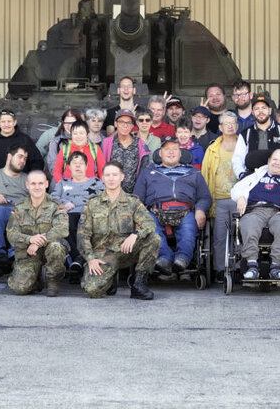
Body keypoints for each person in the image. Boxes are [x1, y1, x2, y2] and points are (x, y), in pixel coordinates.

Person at [78, 162, 159, 299]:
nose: (111, 178)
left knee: (153, 239)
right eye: (107, 175)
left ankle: (139, 284)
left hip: (126, 250)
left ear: (122, 177)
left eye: (115, 175)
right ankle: (111, 278)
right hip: (103, 254)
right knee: (92, 290)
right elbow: (82, 235)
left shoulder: (132, 202)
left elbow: (149, 223)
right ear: (102, 178)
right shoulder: (92, 203)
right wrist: (91, 259)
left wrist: (135, 235)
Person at [135, 139, 212, 274]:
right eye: (167, 149)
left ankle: (183, 258)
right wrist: (138, 215)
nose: (171, 152)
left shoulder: (193, 172)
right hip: (156, 210)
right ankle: (165, 257)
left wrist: (200, 209)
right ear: (160, 153)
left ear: (180, 153)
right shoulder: (148, 172)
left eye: (175, 149)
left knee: (188, 231)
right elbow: (137, 197)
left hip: (185, 210)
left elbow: (205, 197)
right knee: (151, 229)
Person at [229, 149, 280, 280]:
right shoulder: (256, 175)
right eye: (275, 159)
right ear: (269, 161)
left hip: (278, 212)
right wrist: (241, 197)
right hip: (255, 210)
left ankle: (276, 266)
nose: (277, 163)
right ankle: (252, 265)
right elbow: (235, 190)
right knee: (249, 225)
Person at [7, 171, 69, 296]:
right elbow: (11, 234)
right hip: (29, 253)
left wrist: (39, 242)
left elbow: (62, 229)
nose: (37, 187)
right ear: (27, 185)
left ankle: (53, 281)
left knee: (56, 247)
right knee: (19, 289)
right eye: (33, 183)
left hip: (49, 250)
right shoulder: (19, 207)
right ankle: (36, 280)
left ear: (46, 184)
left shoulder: (56, 205)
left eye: (40, 183)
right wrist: (29, 239)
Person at [201, 112, 241, 283]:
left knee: (239, 236)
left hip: (240, 200)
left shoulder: (244, 145)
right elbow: (205, 175)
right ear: (220, 127)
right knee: (220, 236)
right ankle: (220, 269)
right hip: (218, 199)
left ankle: (238, 268)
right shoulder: (212, 149)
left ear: (237, 126)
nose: (230, 126)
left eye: (233, 123)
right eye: (226, 123)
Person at [52, 152, 105, 269]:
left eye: (81, 163)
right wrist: (64, 202)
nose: (78, 166)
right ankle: (78, 258)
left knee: (85, 222)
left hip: (89, 214)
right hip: (69, 214)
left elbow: (104, 198)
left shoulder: (96, 182)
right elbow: (53, 198)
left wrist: (90, 207)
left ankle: (79, 259)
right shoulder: (62, 183)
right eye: (74, 163)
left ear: (86, 166)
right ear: (69, 167)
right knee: (67, 223)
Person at [232, 94, 280, 178]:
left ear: (270, 111)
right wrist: (241, 174)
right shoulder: (245, 133)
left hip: (278, 178)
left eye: (264, 108)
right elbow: (238, 158)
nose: (260, 111)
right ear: (252, 112)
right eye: (257, 109)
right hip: (252, 179)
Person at [0, 145, 30, 263]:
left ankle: (15, 251)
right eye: (20, 157)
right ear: (9, 156)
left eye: (25, 159)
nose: (23, 161)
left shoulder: (27, 179)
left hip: (20, 211)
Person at [0, 109, 44, 180]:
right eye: (3, 122)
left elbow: (37, 161)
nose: (6, 125)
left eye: (9, 121)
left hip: (21, 182)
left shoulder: (25, 140)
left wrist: (31, 178)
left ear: (14, 122)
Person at [100, 109, 151, 194]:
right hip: (110, 193)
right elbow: (101, 168)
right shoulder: (106, 143)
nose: (125, 125)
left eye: (128, 122)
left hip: (133, 195)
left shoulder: (141, 144)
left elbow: (144, 171)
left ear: (132, 125)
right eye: (121, 122)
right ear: (115, 124)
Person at [42, 109, 83, 174]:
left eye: (73, 123)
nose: (69, 126)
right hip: (61, 179)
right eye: (66, 123)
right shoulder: (56, 142)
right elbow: (53, 168)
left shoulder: (87, 141)